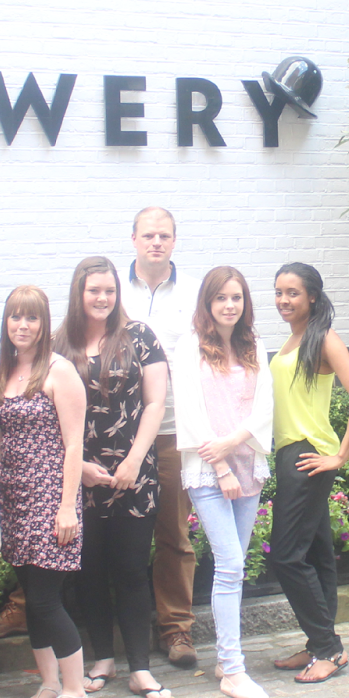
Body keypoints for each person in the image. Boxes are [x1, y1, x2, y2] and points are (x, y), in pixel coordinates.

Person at [53, 257, 174, 698]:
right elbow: (48, 413)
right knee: (88, 572)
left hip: (133, 476)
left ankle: (140, 668)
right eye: (93, 291)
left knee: (131, 571)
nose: (102, 298)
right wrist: (80, 466)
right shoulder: (59, 344)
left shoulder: (140, 336)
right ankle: (102, 658)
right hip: (79, 476)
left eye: (109, 290)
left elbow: (155, 403)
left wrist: (135, 461)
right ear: (79, 293)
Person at [0, 285, 93, 698]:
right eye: (16, 316)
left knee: (47, 600)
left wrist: (67, 506)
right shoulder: (0, 372)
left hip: (51, 497)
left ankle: (76, 691)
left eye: (31, 317)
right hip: (14, 501)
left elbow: (74, 444)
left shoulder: (59, 371)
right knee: (32, 598)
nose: (23, 325)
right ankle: (49, 682)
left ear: (44, 323)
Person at [267, 262, 349, 684]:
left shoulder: (325, 338)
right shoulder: (295, 338)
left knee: (286, 556)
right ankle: (319, 644)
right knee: (315, 553)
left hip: (308, 455)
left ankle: (329, 649)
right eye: (278, 292)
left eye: (292, 292)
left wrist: (340, 456)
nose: (283, 300)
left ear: (312, 296)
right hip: (291, 453)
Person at [172, 266, 275, 698]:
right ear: (207, 302)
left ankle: (225, 660)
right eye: (221, 298)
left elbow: (265, 405)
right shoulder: (190, 347)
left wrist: (235, 446)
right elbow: (190, 412)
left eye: (236, 297)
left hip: (248, 465)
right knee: (230, 565)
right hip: (208, 470)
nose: (229, 305)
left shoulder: (255, 345)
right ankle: (233, 670)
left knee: (235, 566)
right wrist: (222, 466)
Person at [124, 206, 200, 668]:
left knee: (173, 532)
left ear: (174, 241)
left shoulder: (193, 293)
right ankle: (118, 626)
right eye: (149, 235)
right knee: (119, 534)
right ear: (132, 238)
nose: (156, 242)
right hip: (120, 434)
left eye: (164, 236)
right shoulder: (112, 291)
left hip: (173, 430)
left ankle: (175, 628)